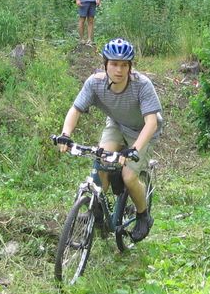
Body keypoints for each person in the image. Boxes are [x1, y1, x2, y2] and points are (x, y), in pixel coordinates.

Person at [57, 38, 162, 242]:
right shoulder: (95, 83)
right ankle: (97, 212)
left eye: (124, 65)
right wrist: (65, 134)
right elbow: (75, 109)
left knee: (129, 177)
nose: (119, 70)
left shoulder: (141, 85)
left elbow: (151, 123)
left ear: (130, 67)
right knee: (101, 161)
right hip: (116, 124)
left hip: (142, 130)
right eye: (114, 64)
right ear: (105, 64)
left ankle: (143, 215)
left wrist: (134, 150)